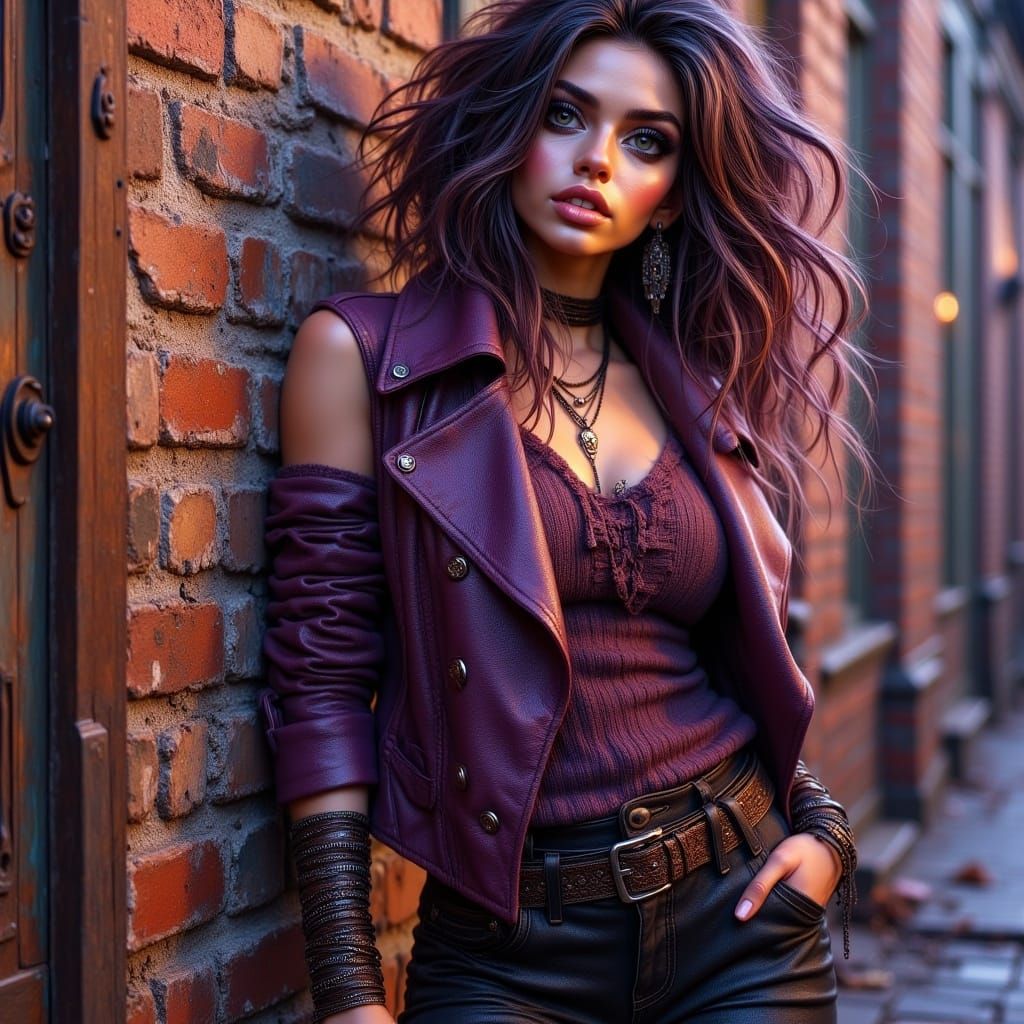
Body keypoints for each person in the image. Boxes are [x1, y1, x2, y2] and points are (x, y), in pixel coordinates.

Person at [261, 1, 869, 1021]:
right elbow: (319, 680)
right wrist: (347, 988)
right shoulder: (365, 358)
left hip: (739, 915)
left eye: (644, 143)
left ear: (669, 198)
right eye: (564, 116)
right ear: (510, 130)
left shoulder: (697, 386)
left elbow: (742, 650)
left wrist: (822, 829)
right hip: (508, 946)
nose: (597, 161)